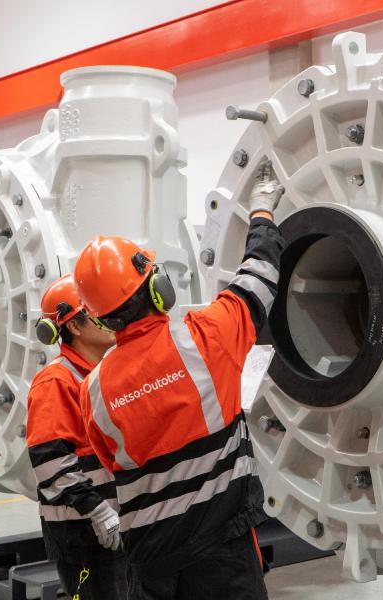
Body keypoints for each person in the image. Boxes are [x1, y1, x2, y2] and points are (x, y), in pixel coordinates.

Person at [74, 161, 285, 599]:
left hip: (149, 561)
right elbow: (259, 275)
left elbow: (110, 461)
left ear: (102, 318)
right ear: (159, 288)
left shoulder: (93, 389)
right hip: (219, 552)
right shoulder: (204, 337)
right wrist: (262, 210)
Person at [26, 274, 129, 599]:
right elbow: (50, 463)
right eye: (99, 311)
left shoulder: (105, 374)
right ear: (74, 326)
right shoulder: (56, 381)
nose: (111, 318)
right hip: (84, 536)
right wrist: (98, 512)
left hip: (116, 528)